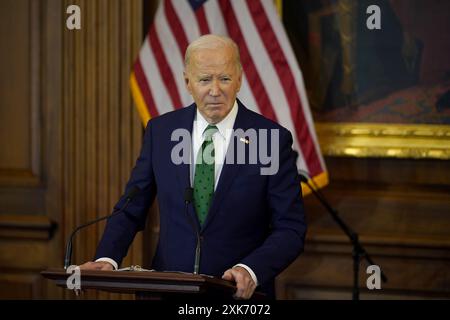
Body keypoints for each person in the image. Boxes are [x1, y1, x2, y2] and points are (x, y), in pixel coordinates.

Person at [80, 34, 306, 299]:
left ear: (240, 79)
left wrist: (250, 269)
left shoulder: (270, 139)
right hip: (166, 292)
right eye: (204, 79)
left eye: (224, 78)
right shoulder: (162, 132)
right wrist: (108, 257)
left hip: (236, 296)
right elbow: (131, 207)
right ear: (187, 82)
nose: (214, 90)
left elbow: (290, 228)